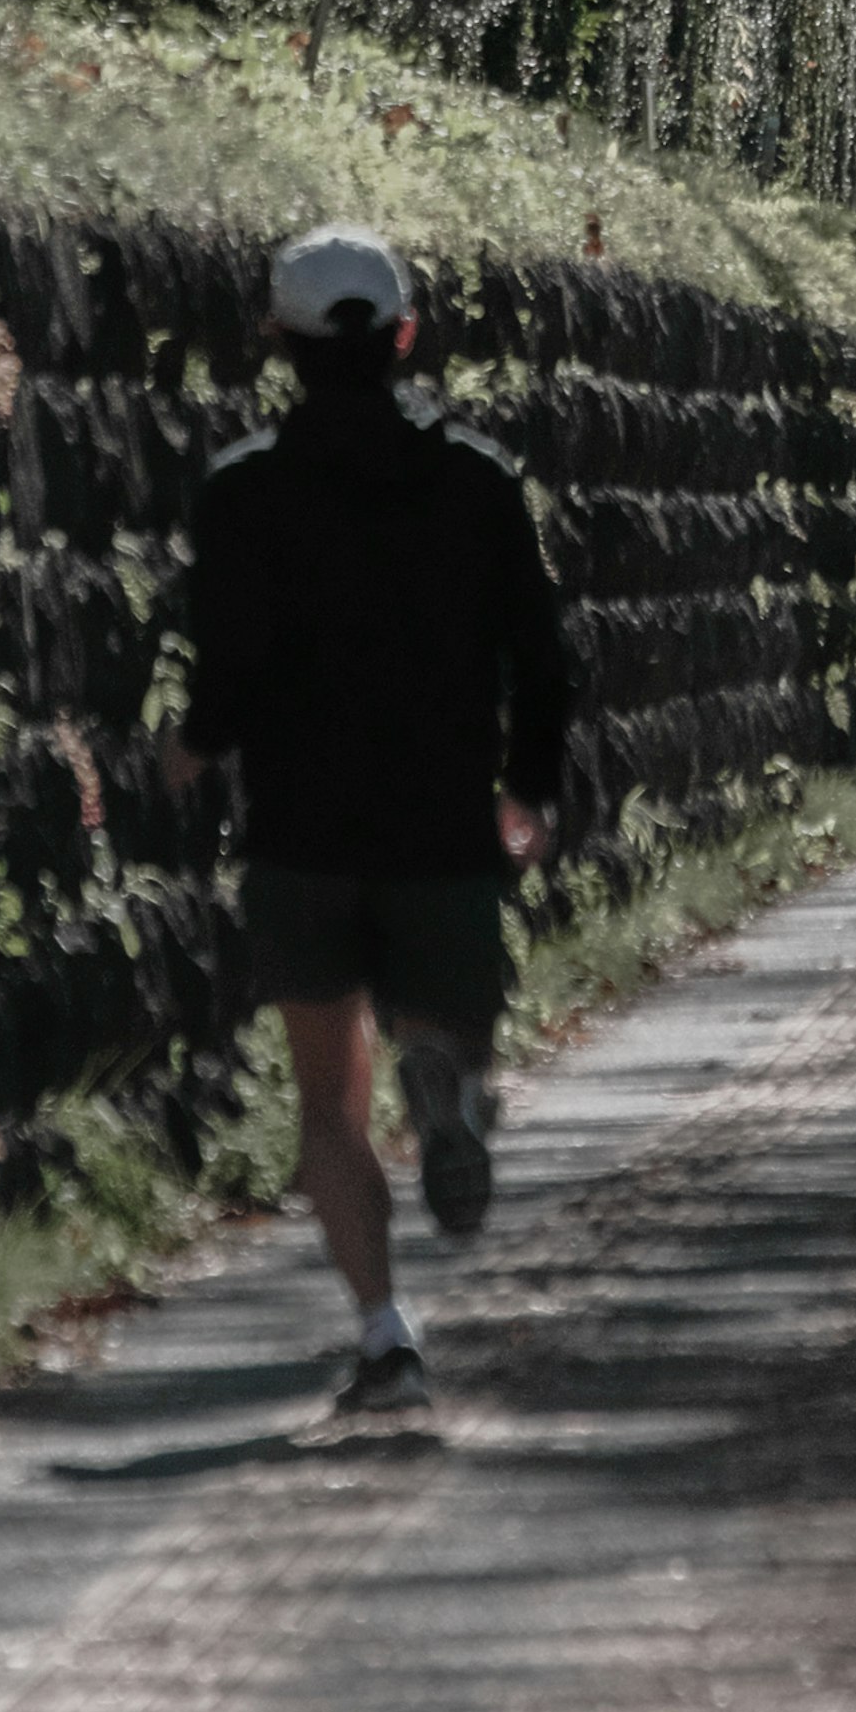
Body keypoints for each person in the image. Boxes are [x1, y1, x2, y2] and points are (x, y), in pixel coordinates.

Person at [166, 223, 571, 1424]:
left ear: (278, 344)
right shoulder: (481, 485)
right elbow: (540, 661)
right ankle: (444, 1084)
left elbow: (227, 673)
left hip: (300, 831)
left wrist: (190, 745)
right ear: (405, 337)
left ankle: (385, 1335)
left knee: (324, 1098)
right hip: (441, 822)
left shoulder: (242, 492)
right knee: (449, 1030)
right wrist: (530, 787)